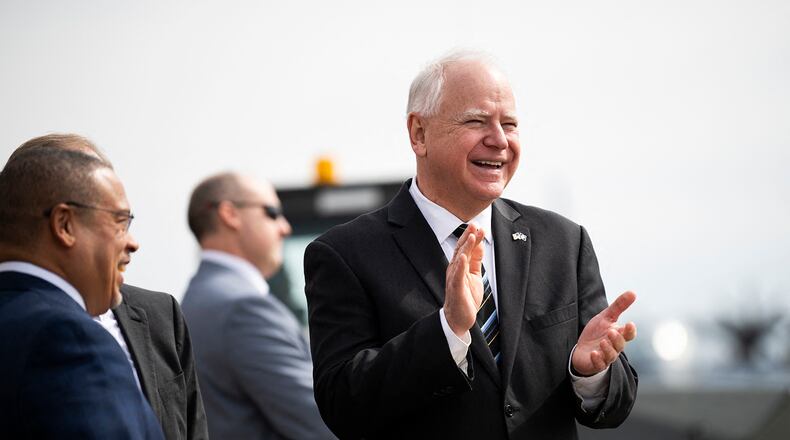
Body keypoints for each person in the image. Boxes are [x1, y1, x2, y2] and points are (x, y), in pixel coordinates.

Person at [303, 51, 639, 439]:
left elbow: (614, 407)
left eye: (509, 124)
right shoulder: (345, 254)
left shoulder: (564, 242)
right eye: (476, 121)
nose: (498, 140)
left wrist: (589, 373)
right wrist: (448, 332)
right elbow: (342, 404)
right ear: (419, 134)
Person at [8, 133, 209, 440]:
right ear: (64, 224)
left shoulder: (160, 315)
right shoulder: (68, 335)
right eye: (118, 222)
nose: (132, 242)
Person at [181, 172, 336, 440]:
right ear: (230, 214)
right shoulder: (243, 308)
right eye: (272, 212)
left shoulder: (197, 300)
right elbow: (326, 423)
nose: (284, 227)